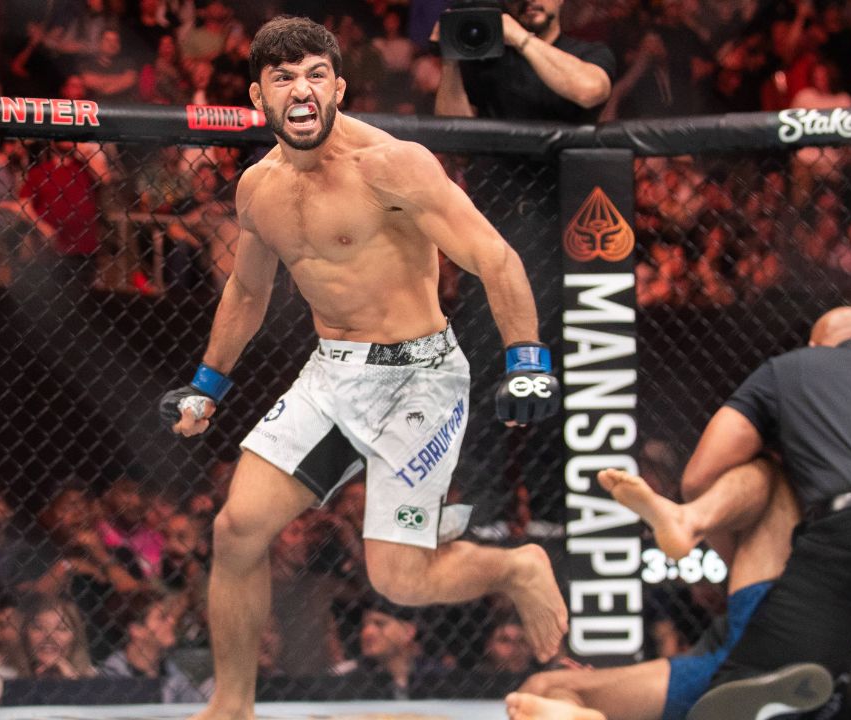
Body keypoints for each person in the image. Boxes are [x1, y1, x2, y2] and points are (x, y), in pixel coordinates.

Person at [158, 16, 566, 720]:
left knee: (400, 579)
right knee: (236, 531)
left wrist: (527, 357)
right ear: (260, 97)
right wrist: (206, 385)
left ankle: (518, 566)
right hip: (335, 374)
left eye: (316, 73)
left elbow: (493, 255)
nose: (302, 88)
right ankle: (231, 706)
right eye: (283, 77)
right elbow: (248, 291)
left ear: (339, 86)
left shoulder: (392, 165)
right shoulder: (258, 190)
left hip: (421, 376)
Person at [648, 306, 851, 720]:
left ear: (815, 343)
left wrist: (742, 564)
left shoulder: (790, 369)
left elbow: (700, 475)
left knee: (737, 696)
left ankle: (777, 669)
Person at [503, 460, 798, 720]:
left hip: (760, 648)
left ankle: (690, 519)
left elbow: (701, 480)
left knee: (542, 691)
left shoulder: (778, 489)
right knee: (540, 692)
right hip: (730, 655)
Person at [433, 0, 614, 123]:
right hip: (494, 175)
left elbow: (591, 91)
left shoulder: (590, 52)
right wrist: (450, 58)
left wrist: (520, 38)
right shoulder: (488, 59)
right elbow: (457, 145)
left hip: (566, 174)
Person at [0, 592, 95, 707]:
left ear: (75, 637)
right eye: (38, 627)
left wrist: (71, 684)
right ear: (24, 634)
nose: (50, 636)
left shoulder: (88, 674)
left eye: (61, 628)